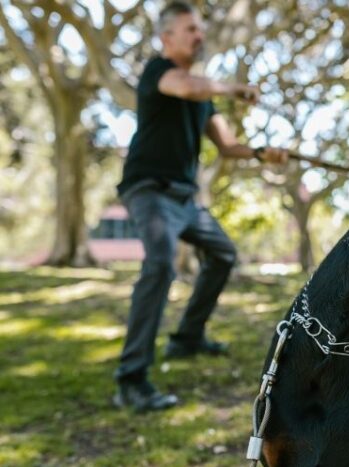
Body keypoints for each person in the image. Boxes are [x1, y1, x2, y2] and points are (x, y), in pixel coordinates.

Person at [113, 1, 288, 412]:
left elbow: (227, 146)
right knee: (160, 265)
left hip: (184, 199)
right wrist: (232, 88)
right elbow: (188, 86)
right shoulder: (160, 73)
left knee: (224, 254)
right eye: (190, 29)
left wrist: (263, 152)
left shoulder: (202, 95)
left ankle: (187, 337)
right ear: (167, 36)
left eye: (200, 29)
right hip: (149, 189)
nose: (199, 35)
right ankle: (131, 379)